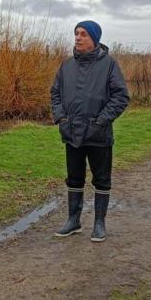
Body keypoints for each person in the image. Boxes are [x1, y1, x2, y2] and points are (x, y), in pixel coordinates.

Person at [50, 20, 129, 242]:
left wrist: (101, 121)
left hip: (98, 134)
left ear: (94, 38)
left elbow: (121, 97)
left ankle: (99, 224)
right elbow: (55, 94)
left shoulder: (109, 65)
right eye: (76, 33)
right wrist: (61, 117)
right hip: (72, 133)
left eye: (83, 34)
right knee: (74, 178)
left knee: (102, 179)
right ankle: (73, 221)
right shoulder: (66, 66)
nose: (78, 37)